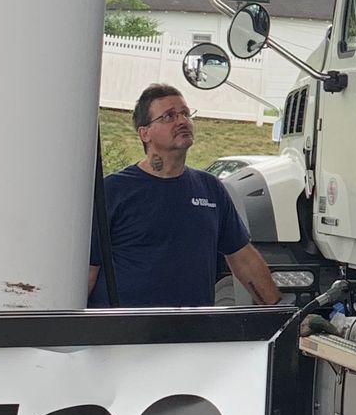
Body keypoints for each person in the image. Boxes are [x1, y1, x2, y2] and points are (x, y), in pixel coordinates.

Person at [90, 84, 282, 308]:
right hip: (124, 336)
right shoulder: (113, 191)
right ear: (144, 133)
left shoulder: (210, 189)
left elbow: (244, 260)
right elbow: (88, 272)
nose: (182, 121)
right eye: (169, 116)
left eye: (185, 114)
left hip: (191, 333)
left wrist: (280, 313)